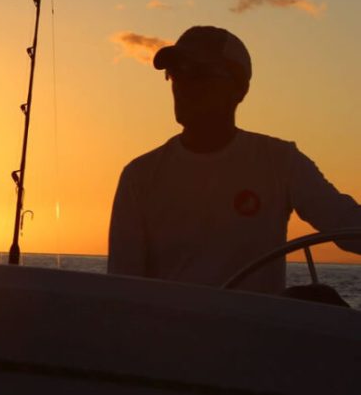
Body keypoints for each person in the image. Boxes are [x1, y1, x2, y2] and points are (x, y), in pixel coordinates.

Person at [107, 25, 361, 294]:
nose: (183, 85)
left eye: (198, 73)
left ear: (238, 89)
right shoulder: (139, 177)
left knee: (322, 298)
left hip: (255, 333)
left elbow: (347, 226)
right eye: (176, 73)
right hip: (171, 333)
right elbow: (123, 290)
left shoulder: (280, 162)